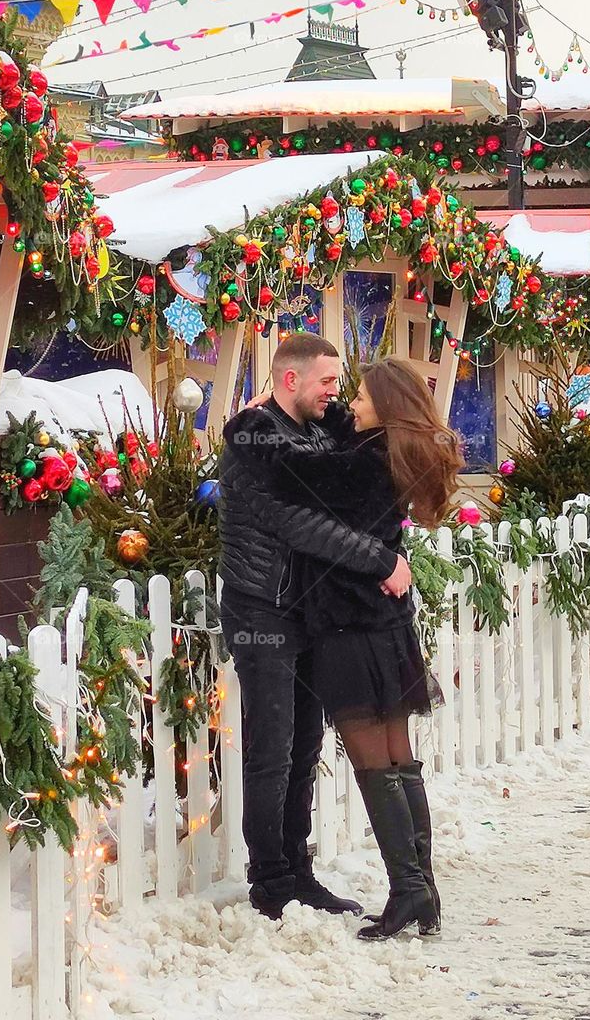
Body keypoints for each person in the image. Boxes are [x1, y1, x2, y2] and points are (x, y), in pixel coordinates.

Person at [217, 335, 413, 920]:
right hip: (262, 608)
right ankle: (270, 879)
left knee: (306, 745)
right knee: (272, 748)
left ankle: (298, 870)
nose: (337, 392)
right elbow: (294, 522)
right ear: (289, 380)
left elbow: (369, 451)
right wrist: (379, 561)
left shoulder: (319, 432)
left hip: (311, 612)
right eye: (327, 381)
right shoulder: (252, 440)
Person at [271, 357, 463, 940]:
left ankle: (408, 891)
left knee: (373, 760)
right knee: (399, 758)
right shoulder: (390, 453)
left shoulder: (360, 463)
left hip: (350, 626)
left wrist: (263, 420)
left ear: (384, 401)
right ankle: (420, 890)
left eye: (358, 396)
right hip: (385, 623)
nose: (349, 404)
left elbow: (288, 481)